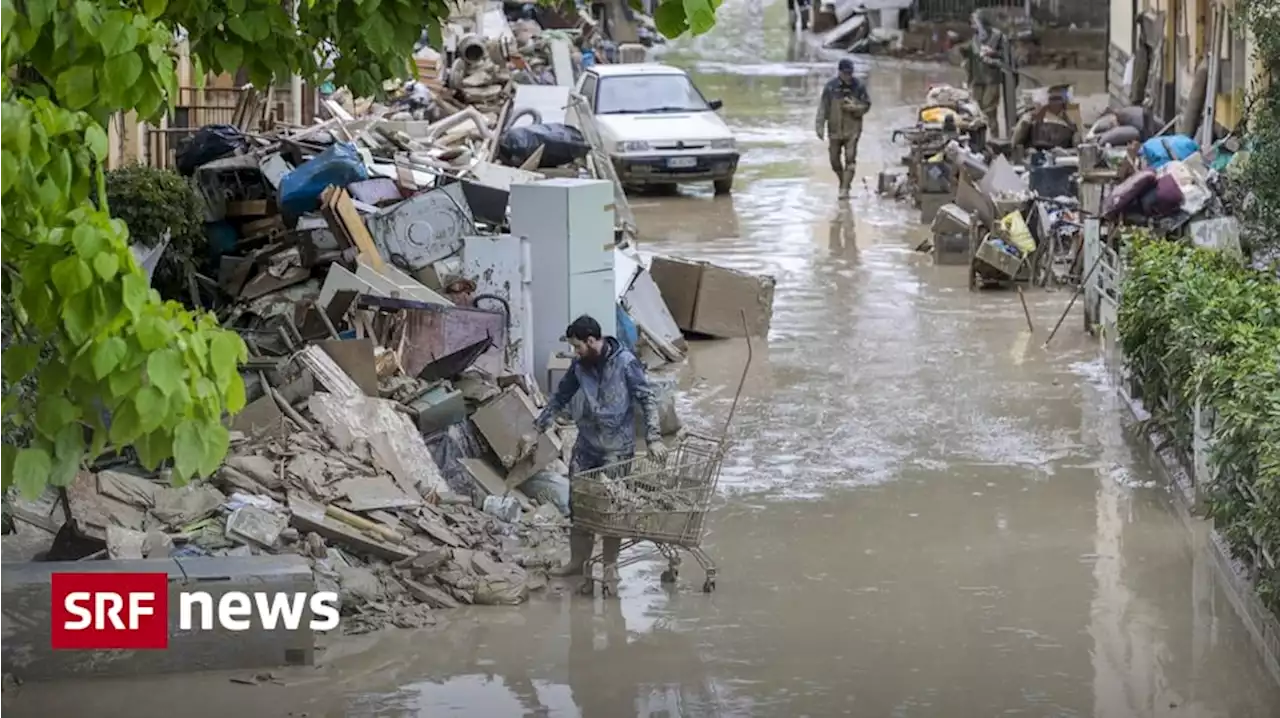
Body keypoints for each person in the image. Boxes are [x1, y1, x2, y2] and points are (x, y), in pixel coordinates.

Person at [535, 314, 665, 592]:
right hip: (587, 444)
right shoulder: (580, 366)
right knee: (579, 503)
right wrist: (543, 421)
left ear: (592, 340)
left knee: (611, 508)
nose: (575, 352)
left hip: (617, 449)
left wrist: (653, 438)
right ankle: (577, 562)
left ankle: (609, 567)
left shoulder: (626, 363)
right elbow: (561, 395)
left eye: (578, 346)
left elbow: (646, 398)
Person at [815, 57, 871, 200]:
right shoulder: (830, 87)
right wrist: (819, 126)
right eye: (845, 73)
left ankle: (844, 189)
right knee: (834, 160)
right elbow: (823, 108)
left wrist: (855, 108)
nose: (848, 76)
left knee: (850, 160)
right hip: (834, 130)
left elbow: (867, 105)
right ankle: (843, 181)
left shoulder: (858, 87)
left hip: (853, 130)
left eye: (850, 73)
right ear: (839, 72)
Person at [959, 9, 1007, 136]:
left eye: (974, 22)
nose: (972, 25)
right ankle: (982, 139)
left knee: (990, 109)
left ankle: (995, 137)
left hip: (991, 78)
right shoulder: (975, 38)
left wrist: (993, 53)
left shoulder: (998, 37)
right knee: (977, 110)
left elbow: (1007, 57)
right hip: (977, 79)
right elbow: (971, 55)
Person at [1011, 85, 1082, 153]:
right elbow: (1015, 142)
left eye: (1058, 99)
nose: (1056, 103)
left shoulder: (1070, 121)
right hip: (1035, 155)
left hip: (1061, 157)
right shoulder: (1031, 118)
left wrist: (1065, 152)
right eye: (1053, 99)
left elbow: (1078, 147)